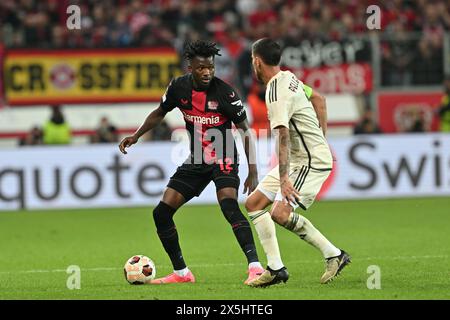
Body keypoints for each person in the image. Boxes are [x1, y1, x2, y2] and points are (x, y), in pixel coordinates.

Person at [119, 40, 264, 285]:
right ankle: (182, 273)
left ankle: (256, 268)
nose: (207, 72)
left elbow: (245, 131)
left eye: (210, 67)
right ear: (190, 67)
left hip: (224, 154)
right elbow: (159, 112)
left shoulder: (225, 93)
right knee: (161, 213)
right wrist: (136, 135)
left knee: (229, 205)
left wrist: (252, 169)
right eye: (201, 68)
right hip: (196, 159)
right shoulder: (178, 87)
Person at [245, 38, 351, 287]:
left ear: (257, 61)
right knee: (254, 203)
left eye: (253, 62)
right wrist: (321, 139)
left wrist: (284, 179)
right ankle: (276, 269)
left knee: (280, 213)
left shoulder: (275, 91)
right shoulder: (290, 79)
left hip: (308, 161)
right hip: (302, 158)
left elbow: (282, 135)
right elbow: (320, 100)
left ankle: (334, 254)